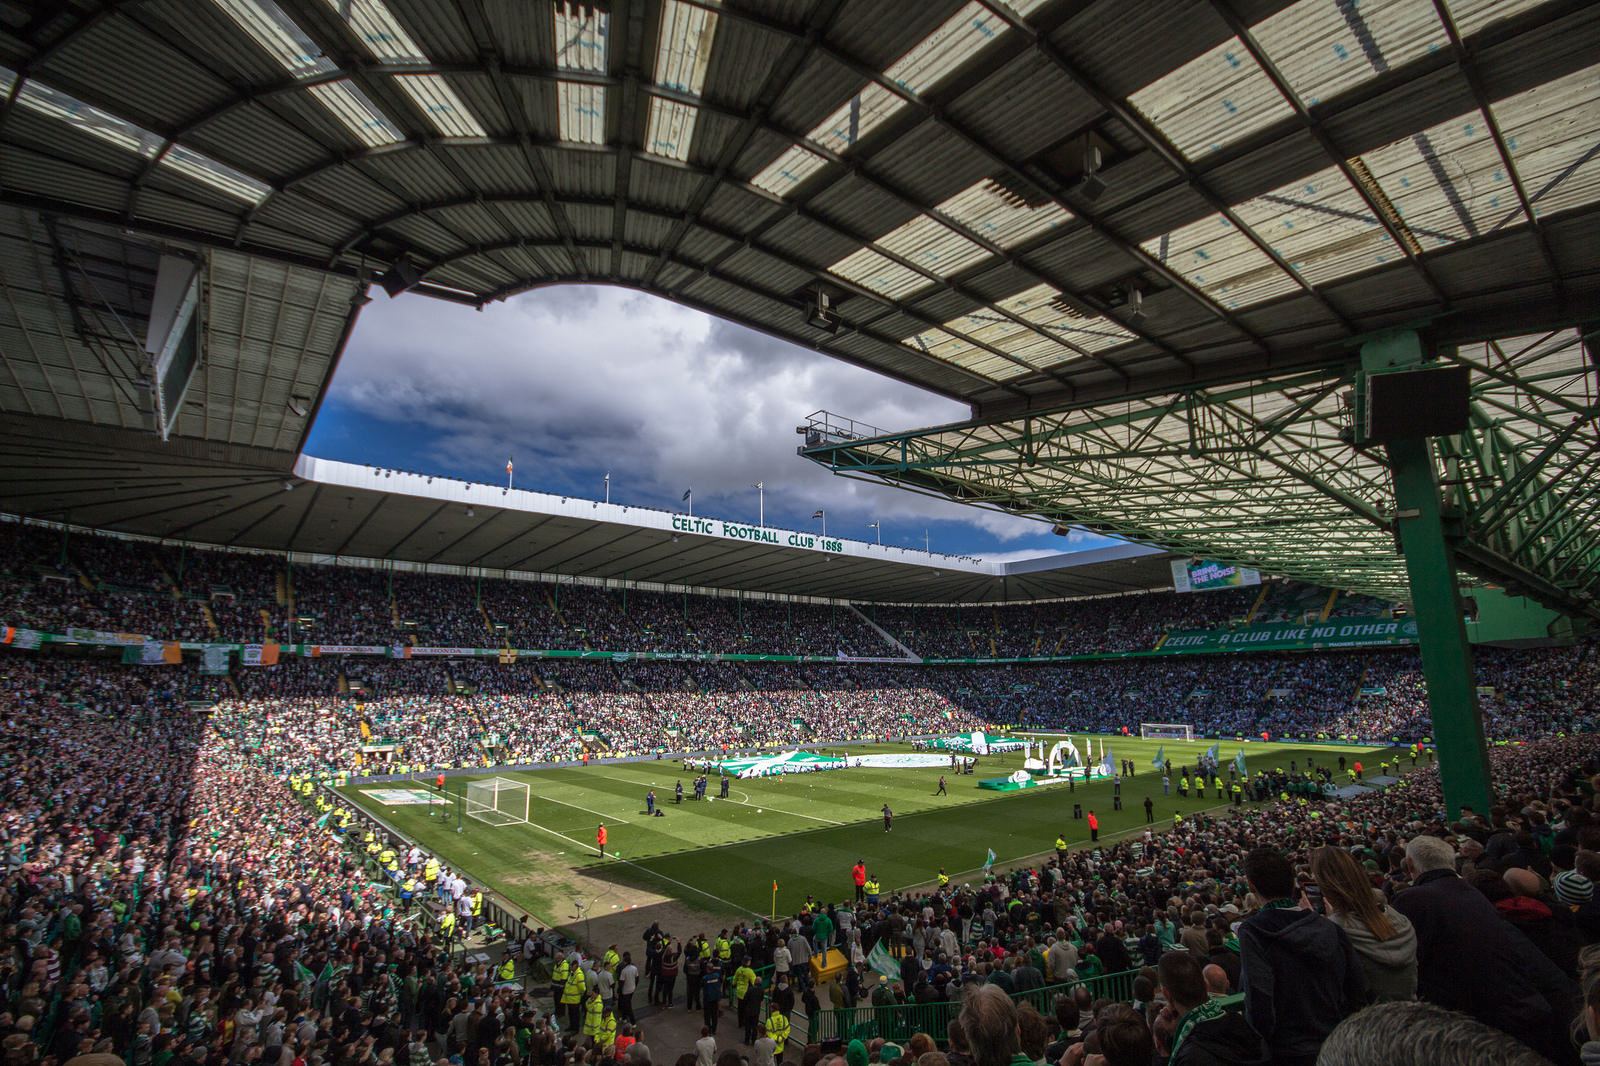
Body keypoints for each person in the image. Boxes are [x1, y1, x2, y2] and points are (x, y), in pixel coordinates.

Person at [1392, 835, 1576, 1061]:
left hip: (1484, 1021)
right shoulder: (1471, 891)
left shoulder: (1413, 898)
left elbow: (1408, 958)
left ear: (1410, 865)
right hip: (1524, 1007)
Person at [1236, 847, 1364, 1066]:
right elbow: (1356, 989)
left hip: (1288, 1051)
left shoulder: (1254, 931)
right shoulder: (1328, 926)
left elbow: (1260, 1003)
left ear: (1251, 886)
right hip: (1336, 1043)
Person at [1309, 846, 1417, 1002]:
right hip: (1409, 1017)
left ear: (1324, 887)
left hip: (1365, 1023)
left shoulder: (1332, 933)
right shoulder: (1398, 919)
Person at [1158, 952, 1269, 1065]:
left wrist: (1165, 1052)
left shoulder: (1190, 1057)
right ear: (1206, 986)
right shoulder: (1241, 1021)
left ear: (1167, 994)